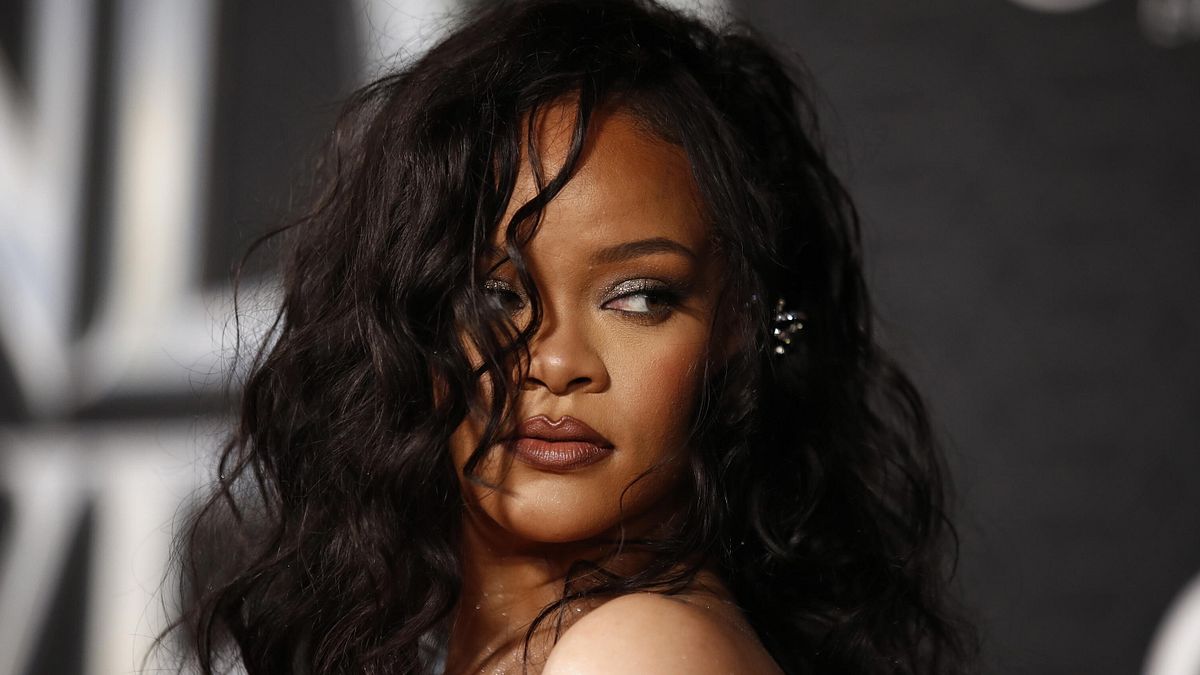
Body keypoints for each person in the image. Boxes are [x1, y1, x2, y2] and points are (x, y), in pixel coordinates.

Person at [168, 0, 976, 672]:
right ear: (408, 312)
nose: (556, 361)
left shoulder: (633, 653)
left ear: (738, 326)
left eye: (640, 297)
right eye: (495, 293)